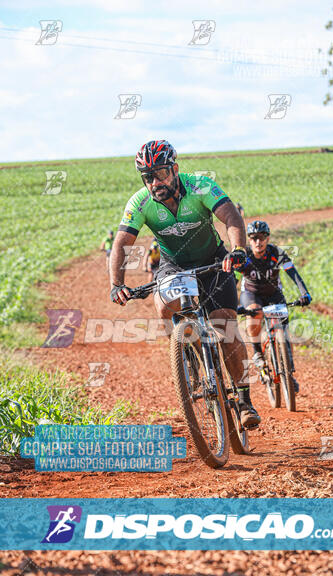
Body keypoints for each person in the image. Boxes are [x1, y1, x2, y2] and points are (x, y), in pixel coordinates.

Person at [109, 140, 261, 428]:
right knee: (163, 306)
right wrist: (117, 283)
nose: (155, 182)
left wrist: (238, 250)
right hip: (174, 265)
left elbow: (230, 216)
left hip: (213, 260)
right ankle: (186, 352)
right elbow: (122, 243)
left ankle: (244, 399)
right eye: (148, 176)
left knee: (225, 325)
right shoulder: (140, 202)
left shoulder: (200, 185)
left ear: (175, 169)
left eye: (161, 173)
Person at [235, 220, 312, 393]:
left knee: (285, 332)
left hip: (273, 293)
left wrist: (304, 293)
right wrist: (233, 304)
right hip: (251, 293)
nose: (258, 242)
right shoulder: (245, 257)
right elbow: (231, 279)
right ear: (249, 239)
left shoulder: (277, 253)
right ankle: (258, 354)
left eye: (261, 237)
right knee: (254, 317)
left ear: (267, 238)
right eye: (254, 238)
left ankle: (289, 373)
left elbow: (293, 273)